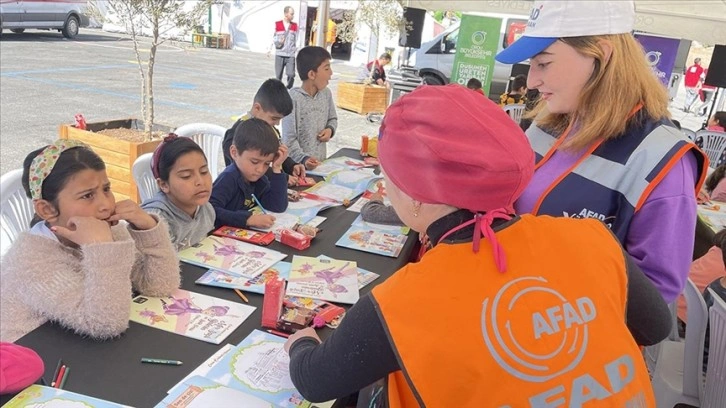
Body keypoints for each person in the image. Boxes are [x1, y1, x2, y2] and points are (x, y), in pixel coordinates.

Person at [284, 85, 671, 407]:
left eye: (388, 178)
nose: (385, 191)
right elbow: (655, 326)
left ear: (417, 194)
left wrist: (300, 342)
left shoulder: (405, 300)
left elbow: (314, 382)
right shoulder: (591, 237)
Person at [495, 0, 708, 304]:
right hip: (503, 315)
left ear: (602, 55)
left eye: (543, 63)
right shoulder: (548, 122)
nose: (531, 81)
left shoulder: (662, 158)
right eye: (531, 65)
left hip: (567, 341)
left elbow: (655, 300)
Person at [0, 141, 180, 343]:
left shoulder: (106, 229)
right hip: (31, 359)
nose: (105, 205)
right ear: (47, 210)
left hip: (77, 345)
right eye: (87, 196)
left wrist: (148, 229)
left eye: (106, 189)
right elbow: (106, 324)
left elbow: (160, 285)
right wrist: (102, 249)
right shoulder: (30, 261)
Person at [223, 79, 306, 186]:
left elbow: (274, 156)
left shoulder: (269, 129)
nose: (277, 123)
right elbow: (246, 168)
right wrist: (282, 177)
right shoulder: (235, 135)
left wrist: (291, 166)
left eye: (280, 119)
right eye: (274, 118)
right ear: (257, 108)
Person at [210, 118, 289, 229]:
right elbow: (210, 211)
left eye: (267, 163)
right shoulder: (228, 178)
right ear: (234, 153)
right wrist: (247, 219)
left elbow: (277, 206)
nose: (260, 169)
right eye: (254, 162)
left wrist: (276, 167)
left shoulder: (260, 179)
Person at [141, 134, 215, 250]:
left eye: (204, 171)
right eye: (186, 176)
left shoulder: (207, 209)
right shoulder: (156, 221)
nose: (200, 181)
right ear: (164, 185)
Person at [282, 46, 337, 170]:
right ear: (312, 74)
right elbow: (288, 140)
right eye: (326, 68)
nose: (331, 73)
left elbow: (333, 119)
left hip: (320, 166)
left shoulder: (326, 94)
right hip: (298, 169)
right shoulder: (293, 99)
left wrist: (330, 130)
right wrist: (304, 159)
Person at [269, 6, 298, 89]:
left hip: (290, 54)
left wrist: (297, 50)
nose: (293, 16)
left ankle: (288, 87)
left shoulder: (294, 26)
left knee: (291, 74)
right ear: (286, 14)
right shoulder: (277, 24)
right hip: (280, 53)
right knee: (278, 76)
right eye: (291, 14)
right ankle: (279, 91)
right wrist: (270, 49)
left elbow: (298, 38)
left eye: (293, 14)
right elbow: (272, 37)